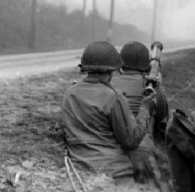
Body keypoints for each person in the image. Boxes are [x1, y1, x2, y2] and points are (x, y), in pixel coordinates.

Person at [61, 41, 156, 179]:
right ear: (112, 70)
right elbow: (131, 140)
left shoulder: (70, 93)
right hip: (115, 172)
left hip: (80, 170)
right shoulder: (114, 96)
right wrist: (145, 109)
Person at [111, 41, 169, 188]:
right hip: (142, 153)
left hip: (110, 151)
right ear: (146, 65)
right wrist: (159, 87)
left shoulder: (109, 82)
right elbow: (163, 116)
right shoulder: (150, 85)